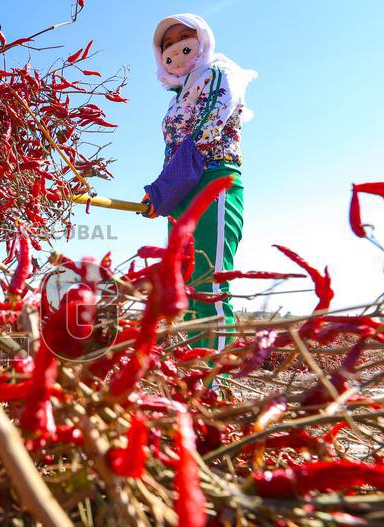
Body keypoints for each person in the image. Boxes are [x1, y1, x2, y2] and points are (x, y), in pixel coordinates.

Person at [142, 13, 256, 351]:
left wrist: (163, 189)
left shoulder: (219, 74)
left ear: (202, 39)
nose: (176, 47)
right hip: (181, 191)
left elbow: (207, 132)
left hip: (212, 181)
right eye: (167, 44)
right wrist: (162, 196)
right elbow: (174, 150)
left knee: (209, 281)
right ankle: (194, 379)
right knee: (186, 287)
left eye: (183, 37)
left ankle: (214, 381)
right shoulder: (176, 97)